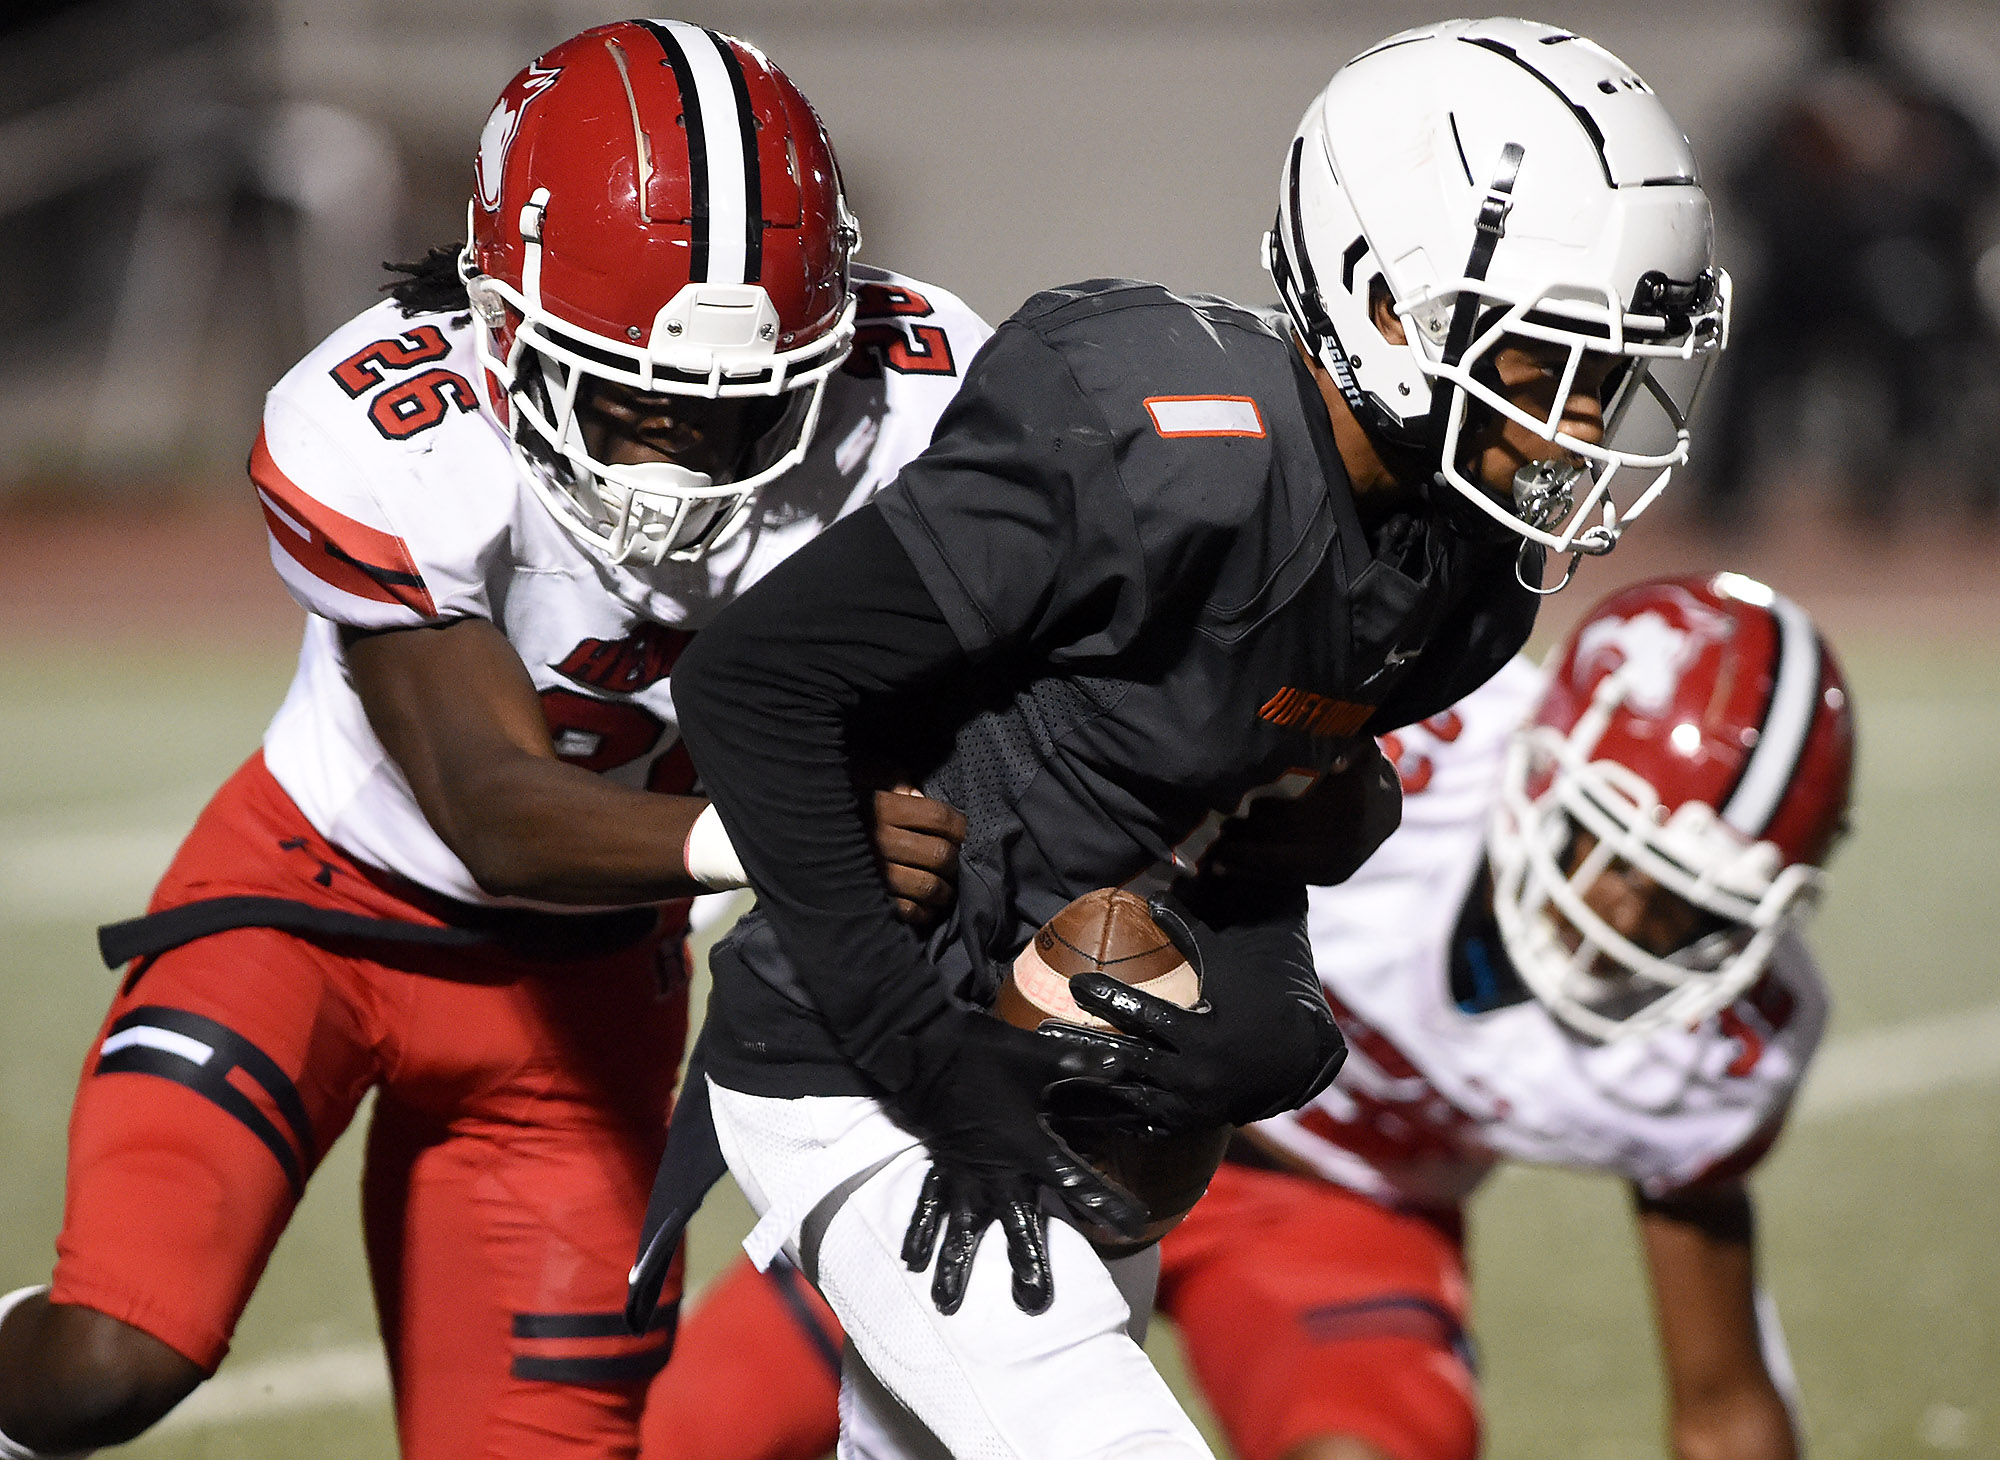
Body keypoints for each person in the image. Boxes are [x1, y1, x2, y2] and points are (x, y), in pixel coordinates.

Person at [648, 18, 1731, 1460]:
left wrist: (1342, 824)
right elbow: (751, 686)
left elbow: (1253, 771)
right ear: (1387, 306)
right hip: (867, 1039)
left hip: (1078, 1076)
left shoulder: (1467, 583)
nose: (1584, 426)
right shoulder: (1159, 443)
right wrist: (926, 1063)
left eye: (1612, 374)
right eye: (1549, 364)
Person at [0, 21, 989, 1460]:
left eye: (745, 404)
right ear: (501, 321)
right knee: (110, 1361)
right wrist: (785, 834)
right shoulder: (388, 426)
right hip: (312, 915)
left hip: (586, 997)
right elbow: (492, 805)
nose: (687, 457)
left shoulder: (922, 395)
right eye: (639, 397)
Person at [651, 571, 1850, 1460]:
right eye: (1610, 851)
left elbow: (1720, 1394)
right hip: (1061, 1108)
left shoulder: (1723, 1038)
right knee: (695, 1431)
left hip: (1333, 1207)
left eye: (1694, 910)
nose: (1626, 917)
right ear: (1542, 759)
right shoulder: (1406, 749)